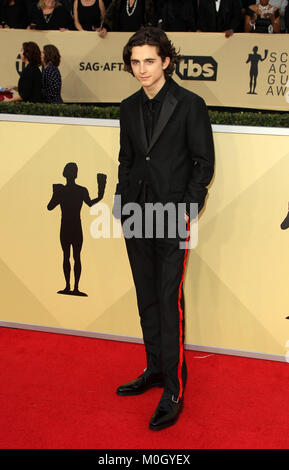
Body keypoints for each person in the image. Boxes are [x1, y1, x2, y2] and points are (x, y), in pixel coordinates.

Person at [113, 27, 214, 431]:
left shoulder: (191, 104)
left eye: (149, 60)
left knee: (169, 301)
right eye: (135, 62)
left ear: (167, 61)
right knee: (146, 298)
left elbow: (202, 163)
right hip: (136, 214)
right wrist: (122, 204)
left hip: (173, 216)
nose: (142, 69)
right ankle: (154, 368)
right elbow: (126, 158)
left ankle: (174, 388)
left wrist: (188, 210)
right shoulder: (126, 106)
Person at [47, 164, 107, 296]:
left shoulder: (63, 191)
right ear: (75, 174)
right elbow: (91, 203)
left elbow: (50, 206)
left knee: (68, 257)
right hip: (74, 227)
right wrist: (101, 194)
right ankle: (73, 287)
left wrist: (55, 193)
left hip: (67, 226)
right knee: (74, 257)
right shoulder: (80, 190)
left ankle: (71, 287)